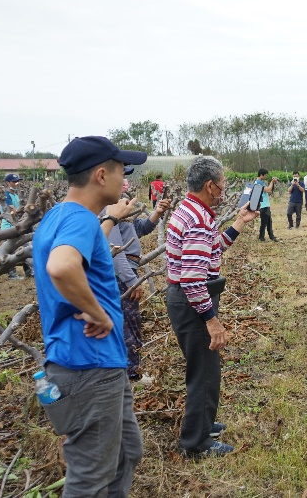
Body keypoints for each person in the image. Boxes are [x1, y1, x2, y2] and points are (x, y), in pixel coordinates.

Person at [32, 135, 146, 496]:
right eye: (120, 171)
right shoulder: (79, 220)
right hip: (89, 367)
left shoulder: (59, 217)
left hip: (90, 364)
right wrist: (98, 313)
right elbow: (63, 266)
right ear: (100, 175)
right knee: (90, 477)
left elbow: (81, 245)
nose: (124, 179)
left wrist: (110, 219)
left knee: (128, 451)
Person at [165, 155, 258, 458]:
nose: (224, 190)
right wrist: (211, 320)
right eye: (222, 184)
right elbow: (193, 279)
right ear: (210, 185)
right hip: (193, 301)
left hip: (186, 299)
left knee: (203, 368)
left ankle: (203, 424)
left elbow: (212, 250)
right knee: (204, 373)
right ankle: (196, 443)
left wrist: (240, 222)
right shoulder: (197, 220)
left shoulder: (191, 211)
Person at [108, 181, 171, 380]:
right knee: (128, 323)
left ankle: (126, 372)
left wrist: (158, 212)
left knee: (129, 322)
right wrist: (131, 281)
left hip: (127, 270)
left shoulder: (120, 213)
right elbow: (115, 252)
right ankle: (131, 374)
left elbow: (140, 229)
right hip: (122, 274)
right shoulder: (109, 213)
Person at [0, 174, 33, 279]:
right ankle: (12, 274)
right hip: (8, 226)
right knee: (10, 251)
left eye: (17, 181)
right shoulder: (6, 195)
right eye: (14, 182)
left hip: (19, 225)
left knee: (24, 247)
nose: (16, 183)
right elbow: (12, 209)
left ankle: (28, 271)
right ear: (7, 183)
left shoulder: (17, 195)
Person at [254, 168, 278, 242]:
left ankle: (271, 236)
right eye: (265, 175)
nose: (266, 176)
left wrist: (273, 183)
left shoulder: (260, 182)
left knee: (268, 222)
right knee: (264, 222)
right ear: (261, 175)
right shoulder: (259, 182)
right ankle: (262, 237)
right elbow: (268, 190)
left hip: (265, 205)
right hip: (263, 205)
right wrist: (272, 182)